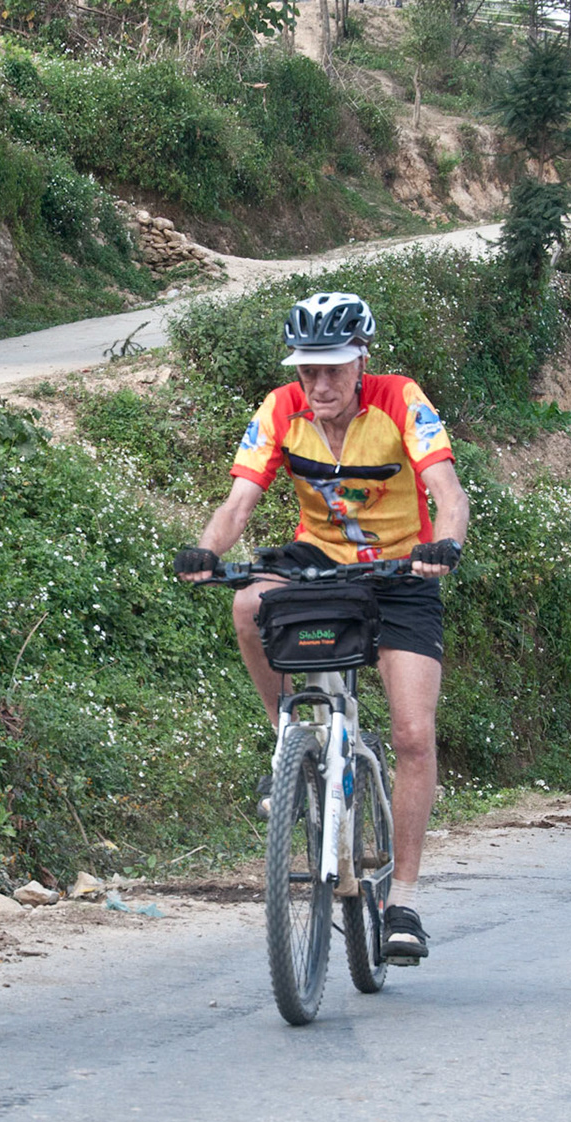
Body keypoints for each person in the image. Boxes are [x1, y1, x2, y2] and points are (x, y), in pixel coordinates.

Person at [175, 292, 470, 963]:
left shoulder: (401, 400)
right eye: (308, 370)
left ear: (362, 361)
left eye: (334, 369)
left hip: (402, 571)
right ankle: (288, 740)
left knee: (413, 736)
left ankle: (404, 902)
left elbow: (449, 493)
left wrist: (444, 545)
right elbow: (239, 502)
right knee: (248, 604)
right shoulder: (281, 408)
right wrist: (206, 551)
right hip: (322, 562)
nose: (320, 385)